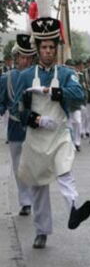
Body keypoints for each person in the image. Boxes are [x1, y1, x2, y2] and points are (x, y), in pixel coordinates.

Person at [12, 0, 90, 249]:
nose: (48, 51)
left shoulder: (67, 74)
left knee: (64, 170)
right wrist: (34, 119)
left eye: (51, 47)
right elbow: (17, 109)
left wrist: (56, 92)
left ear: (56, 49)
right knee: (38, 186)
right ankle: (41, 231)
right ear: (38, 49)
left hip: (59, 134)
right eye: (44, 47)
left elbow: (79, 95)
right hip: (36, 138)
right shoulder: (26, 76)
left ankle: (74, 209)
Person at [0, 34, 35, 216]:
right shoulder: (6, 78)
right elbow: (1, 102)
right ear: (16, 58)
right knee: (18, 166)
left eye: (29, 57)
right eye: (22, 57)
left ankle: (35, 196)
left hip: (35, 127)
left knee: (35, 164)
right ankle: (25, 201)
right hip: (15, 128)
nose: (26, 61)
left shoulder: (36, 76)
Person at [65, 60, 83, 152]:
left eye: (72, 66)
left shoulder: (79, 76)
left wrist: (84, 101)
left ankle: (77, 142)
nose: (70, 68)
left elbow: (83, 88)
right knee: (68, 125)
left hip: (76, 103)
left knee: (77, 122)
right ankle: (71, 143)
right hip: (67, 103)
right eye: (68, 66)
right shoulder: (63, 76)